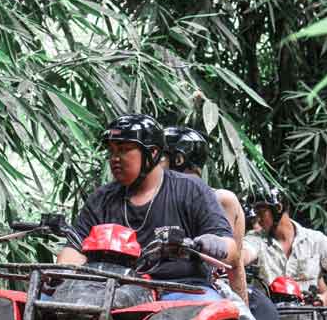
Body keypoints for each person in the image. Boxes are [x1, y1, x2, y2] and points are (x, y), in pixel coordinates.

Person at [56, 114, 238, 303]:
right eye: (111, 151)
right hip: (111, 289)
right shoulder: (101, 198)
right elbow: (75, 247)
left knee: (215, 316)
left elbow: (231, 250)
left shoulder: (191, 189)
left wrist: (215, 243)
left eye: (124, 150)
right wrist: (64, 270)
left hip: (180, 290)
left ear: (152, 153)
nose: (115, 158)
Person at [161, 125, 278, 320]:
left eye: (159, 156)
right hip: (155, 284)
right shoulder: (148, 195)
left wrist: (244, 318)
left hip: (207, 286)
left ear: (178, 159)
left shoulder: (220, 199)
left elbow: (234, 263)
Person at [243, 188, 327, 306]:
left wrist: (326, 296)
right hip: (271, 319)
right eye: (255, 213)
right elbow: (245, 252)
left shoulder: (314, 240)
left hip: (309, 317)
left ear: (278, 208)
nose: (258, 219)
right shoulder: (256, 239)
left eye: (261, 212)